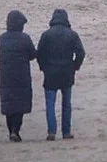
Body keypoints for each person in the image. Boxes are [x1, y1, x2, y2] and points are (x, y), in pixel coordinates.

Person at [36, 9, 86, 141]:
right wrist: (75, 66)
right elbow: (81, 53)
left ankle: (52, 131)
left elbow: (39, 53)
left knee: (50, 103)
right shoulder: (72, 35)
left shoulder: (46, 35)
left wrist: (43, 67)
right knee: (66, 104)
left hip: (50, 73)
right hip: (67, 73)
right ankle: (66, 132)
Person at [0, 10, 36, 142]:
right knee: (20, 104)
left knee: (9, 104)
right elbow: (32, 55)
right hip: (21, 75)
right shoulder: (25, 38)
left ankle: (11, 131)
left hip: (4, 75)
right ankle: (15, 130)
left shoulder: (2, 38)